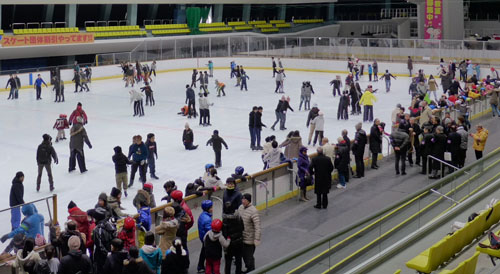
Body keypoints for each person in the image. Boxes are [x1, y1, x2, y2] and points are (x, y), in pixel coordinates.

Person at [222, 178, 244, 274]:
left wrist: (235, 215)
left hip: (236, 235)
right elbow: (224, 206)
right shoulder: (225, 193)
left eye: (231, 183)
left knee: (238, 257)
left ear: (234, 184)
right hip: (228, 230)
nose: (229, 185)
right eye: (228, 183)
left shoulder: (238, 194)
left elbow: (240, 208)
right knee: (228, 258)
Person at [238, 193, 261, 273]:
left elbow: (257, 226)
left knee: (249, 257)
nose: (243, 201)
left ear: (249, 201)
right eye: (242, 199)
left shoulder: (254, 211)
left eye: (245, 200)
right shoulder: (240, 208)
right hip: (242, 237)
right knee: (244, 256)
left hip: (250, 238)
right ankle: (249, 269)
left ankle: (251, 270)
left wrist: (257, 239)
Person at [197, 200, 213, 273]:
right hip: (207, 239)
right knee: (208, 253)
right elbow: (209, 230)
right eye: (211, 207)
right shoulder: (207, 219)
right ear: (208, 208)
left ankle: (200, 266)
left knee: (203, 251)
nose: (212, 209)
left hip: (202, 237)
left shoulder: (202, 215)